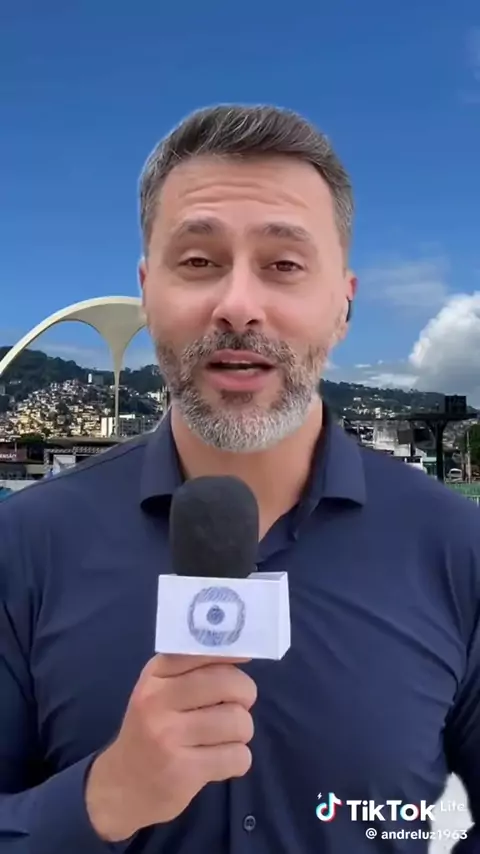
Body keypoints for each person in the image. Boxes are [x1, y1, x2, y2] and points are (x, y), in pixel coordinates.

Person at [0, 105, 479, 854]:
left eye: (284, 265)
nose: (238, 306)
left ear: (345, 303)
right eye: (198, 262)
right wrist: (101, 799)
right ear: (146, 291)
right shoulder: (25, 546)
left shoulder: (456, 547)